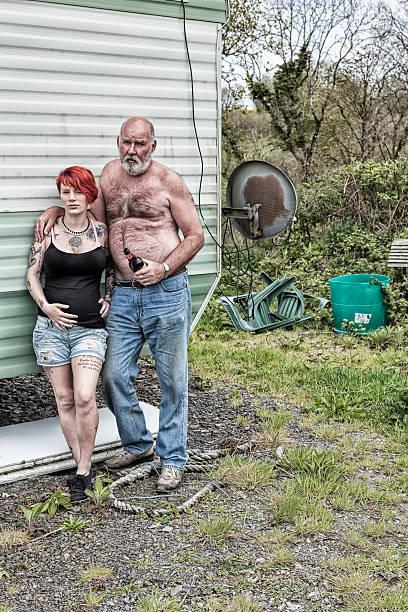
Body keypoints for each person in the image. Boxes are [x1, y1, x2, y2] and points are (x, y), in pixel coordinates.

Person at [35, 117, 204, 493]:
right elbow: (86, 217)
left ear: (153, 146)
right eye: (127, 142)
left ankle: (173, 459)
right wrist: (55, 211)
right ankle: (138, 443)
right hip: (124, 294)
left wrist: (163, 268)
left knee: (172, 381)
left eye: (140, 143)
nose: (132, 150)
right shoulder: (109, 176)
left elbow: (195, 236)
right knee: (112, 377)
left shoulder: (169, 182)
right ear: (118, 142)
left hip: (166, 292)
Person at [28, 166, 113, 501]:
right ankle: (82, 469)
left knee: (85, 396)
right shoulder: (48, 231)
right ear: (60, 195)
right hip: (50, 330)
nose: (72, 197)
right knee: (64, 399)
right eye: (66, 192)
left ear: (89, 195)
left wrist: (109, 295)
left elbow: (112, 269)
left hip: (89, 330)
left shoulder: (102, 232)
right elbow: (32, 275)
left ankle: (84, 466)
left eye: (78, 191)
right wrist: (46, 306)